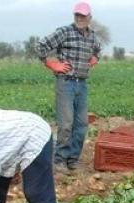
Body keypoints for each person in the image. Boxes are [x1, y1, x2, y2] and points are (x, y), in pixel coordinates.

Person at [36, 2, 101, 173]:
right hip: (66, 82)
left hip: (82, 84)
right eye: (77, 15)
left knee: (81, 125)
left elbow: (98, 50)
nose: (80, 18)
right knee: (66, 124)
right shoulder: (65, 32)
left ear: (89, 18)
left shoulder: (92, 36)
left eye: (83, 16)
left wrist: (95, 58)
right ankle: (59, 160)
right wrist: (52, 64)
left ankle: (73, 160)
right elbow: (40, 46)